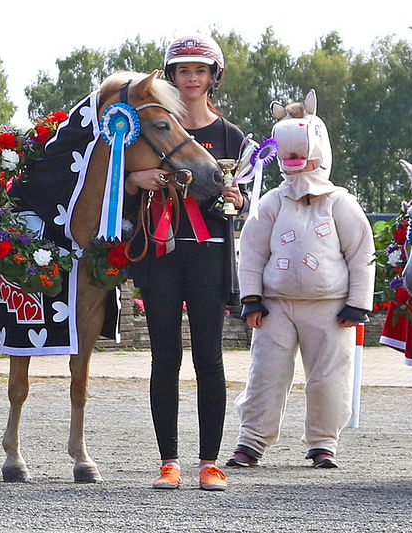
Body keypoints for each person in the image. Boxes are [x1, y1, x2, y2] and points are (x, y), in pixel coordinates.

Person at [224, 90, 374, 471]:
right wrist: (252, 299)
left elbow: (361, 253)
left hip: (331, 308)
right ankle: (251, 441)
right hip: (275, 307)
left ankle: (324, 442)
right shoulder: (271, 202)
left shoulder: (341, 202)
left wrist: (358, 303)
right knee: (265, 373)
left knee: (328, 377)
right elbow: (253, 251)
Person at [124, 34, 244, 491]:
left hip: (209, 254)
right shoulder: (150, 124)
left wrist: (237, 195)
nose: (191, 78)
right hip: (160, 255)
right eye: (182, 70)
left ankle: (211, 462)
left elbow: (242, 200)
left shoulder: (230, 135)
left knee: (210, 360)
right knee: (165, 358)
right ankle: (168, 461)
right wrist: (137, 178)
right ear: (171, 76)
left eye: (200, 70)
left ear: (214, 76)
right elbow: (121, 188)